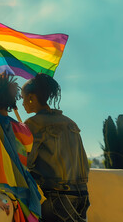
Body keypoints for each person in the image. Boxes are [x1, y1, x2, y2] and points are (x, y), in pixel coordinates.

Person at [21, 73, 90, 222]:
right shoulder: (70, 122)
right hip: (83, 196)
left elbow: (26, 162)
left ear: (32, 97)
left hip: (58, 198)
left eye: (23, 98)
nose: (22, 103)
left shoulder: (33, 124)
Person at [0, 72, 41, 222]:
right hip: (28, 195)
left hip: (7, 192)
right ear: (11, 102)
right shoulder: (23, 128)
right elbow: (26, 156)